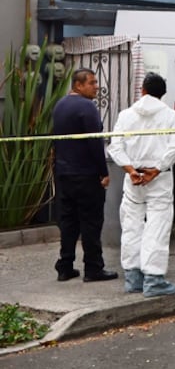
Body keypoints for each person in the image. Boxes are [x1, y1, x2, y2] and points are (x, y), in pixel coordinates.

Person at [107, 73, 175, 297]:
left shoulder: (126, 115)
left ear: (142, 90)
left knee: (131, 225)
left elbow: (115, 146)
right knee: (157, 226)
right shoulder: (171, 116)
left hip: (134, 179)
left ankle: (133, 278)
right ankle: (153, 279)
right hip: (159, 179)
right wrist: (157, 169)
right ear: (163, 94)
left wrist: (131, 170)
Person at [52, 68, 117, 282]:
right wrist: (103, 172)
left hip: (64, 174)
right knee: (91, 222)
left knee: (68, 222)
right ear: (78, 85)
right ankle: (93, 268)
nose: (96, 87)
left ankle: (65, 266)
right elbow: (95, 142)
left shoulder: (59, 106)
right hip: (86, 175)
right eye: (92, 83)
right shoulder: (87, 107)